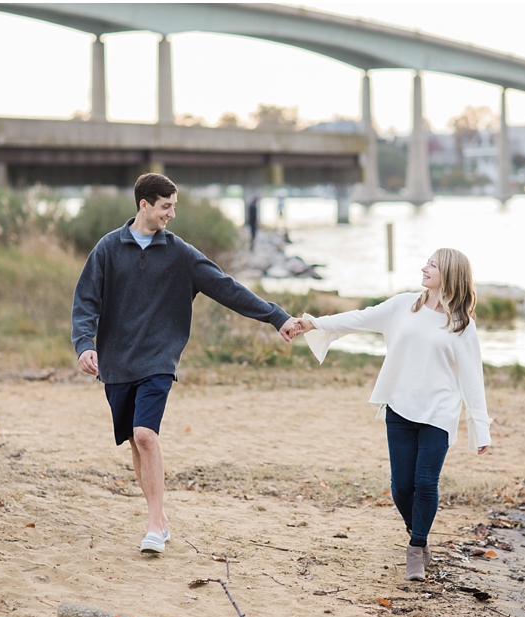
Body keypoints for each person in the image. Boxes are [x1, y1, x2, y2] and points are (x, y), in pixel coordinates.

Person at [72, 173, 298, 556]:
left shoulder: (180, 253)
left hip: (159, 359)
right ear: (144, 205)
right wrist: (84, 344)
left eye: (173, 206)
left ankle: (153, 527)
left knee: (145, 435)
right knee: (135, 440)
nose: (171, 214)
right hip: (117, 361)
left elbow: (226, 287)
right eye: (166, 206)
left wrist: (277, 317)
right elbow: (86, 301)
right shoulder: (108, 248)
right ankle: (159, 518)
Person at [292, 248, 492, 581]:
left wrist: (480, 427)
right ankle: (418, 530)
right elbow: (360, 318)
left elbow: (473, 378)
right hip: (400, 406)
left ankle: (416, 548)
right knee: (401, 487)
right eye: (426, 263)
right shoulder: (403, 305)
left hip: (439, 412)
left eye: (432, 265)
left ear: (449, 274)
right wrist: (315, 323)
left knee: (425, 483)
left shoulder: (461, 324)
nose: (424, 268)